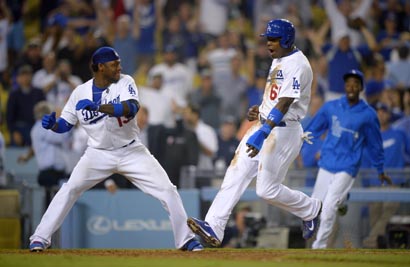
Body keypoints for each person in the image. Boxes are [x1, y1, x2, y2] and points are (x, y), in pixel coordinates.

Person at [28, 46, 203, 252]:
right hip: (98, 154)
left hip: (131, 151)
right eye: (114, 64)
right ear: (100, 67)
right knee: (69, 189)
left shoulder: (125, 82)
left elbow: (131, 107)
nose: (119, 67)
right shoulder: (79, 93)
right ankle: (39, 238)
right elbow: (66, 123)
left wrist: (99, 107)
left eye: (119, 63)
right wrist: (53, 126)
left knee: (167, 190)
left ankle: (185, 239)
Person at [187, 19, 322, 247]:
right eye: (267, 39)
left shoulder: (297, 64)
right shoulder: (279, 58)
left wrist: (265, 130)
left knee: (266, 190)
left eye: (273, 39)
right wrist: (261, 110)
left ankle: (311, 209)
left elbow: (287, 102)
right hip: (266, 124)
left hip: (283, 131)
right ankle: (214, 226)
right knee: (235, 173)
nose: (268, 43)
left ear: (287, 39)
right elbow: (277, 98)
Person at [304, 69, 392, 249]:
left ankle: (318, 249)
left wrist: (380, 169)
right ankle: (343, 199)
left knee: (328, 208)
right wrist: (301, 138)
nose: (351, 86)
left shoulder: (368, 114)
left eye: (356, 83)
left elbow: (375, 143)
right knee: (316, 204)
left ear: (361, 87)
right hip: (327, 162)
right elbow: (315, 127)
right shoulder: (331, 107)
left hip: (348, 166)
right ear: (345, 86)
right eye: (348, 83)